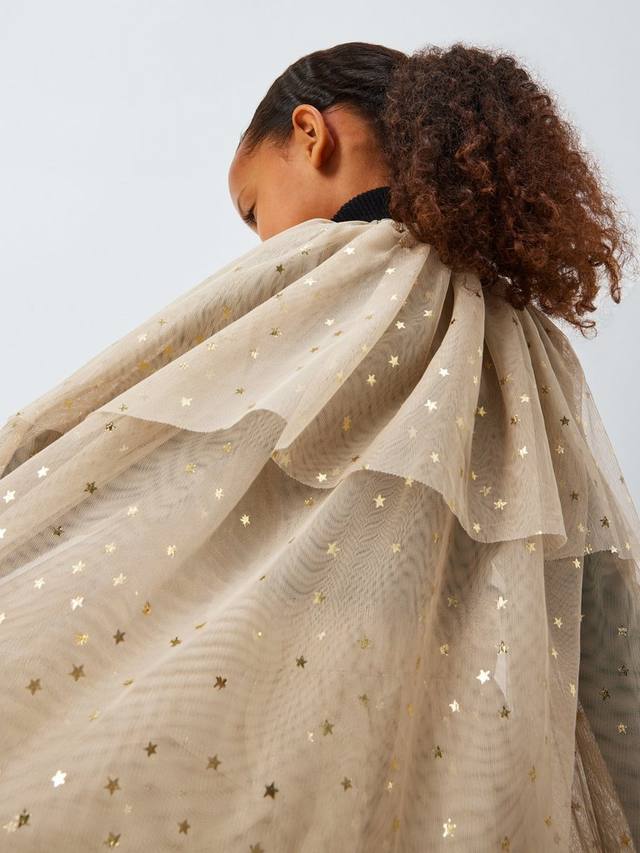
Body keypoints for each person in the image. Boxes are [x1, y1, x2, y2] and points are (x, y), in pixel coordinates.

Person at [0, 41, 638, 853]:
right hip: (442, 761)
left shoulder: (326, 269)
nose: (259, 239)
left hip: (281, 708)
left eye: (251, 208)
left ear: (311, 134)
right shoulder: (535, 351)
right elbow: (604, 610)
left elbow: (124, 406)